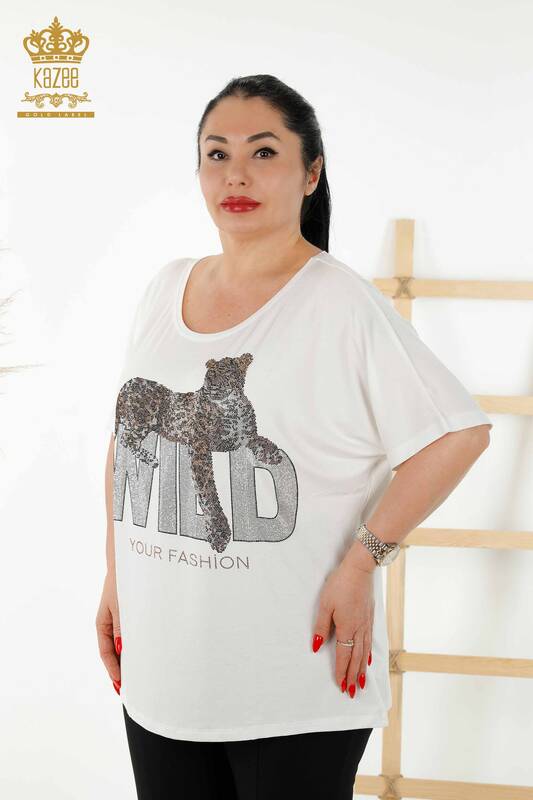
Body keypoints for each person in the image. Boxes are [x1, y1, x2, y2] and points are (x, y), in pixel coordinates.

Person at [95, 74, 493, 799]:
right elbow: (124, 443)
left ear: (310, 173)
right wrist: (116, 575)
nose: (236, 174)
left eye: (264, 152)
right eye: (216, 154)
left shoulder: (337, 300)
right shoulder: (164, 286)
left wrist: (361, 563)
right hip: (162, 674)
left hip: (287, 684)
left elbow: (456, 435)